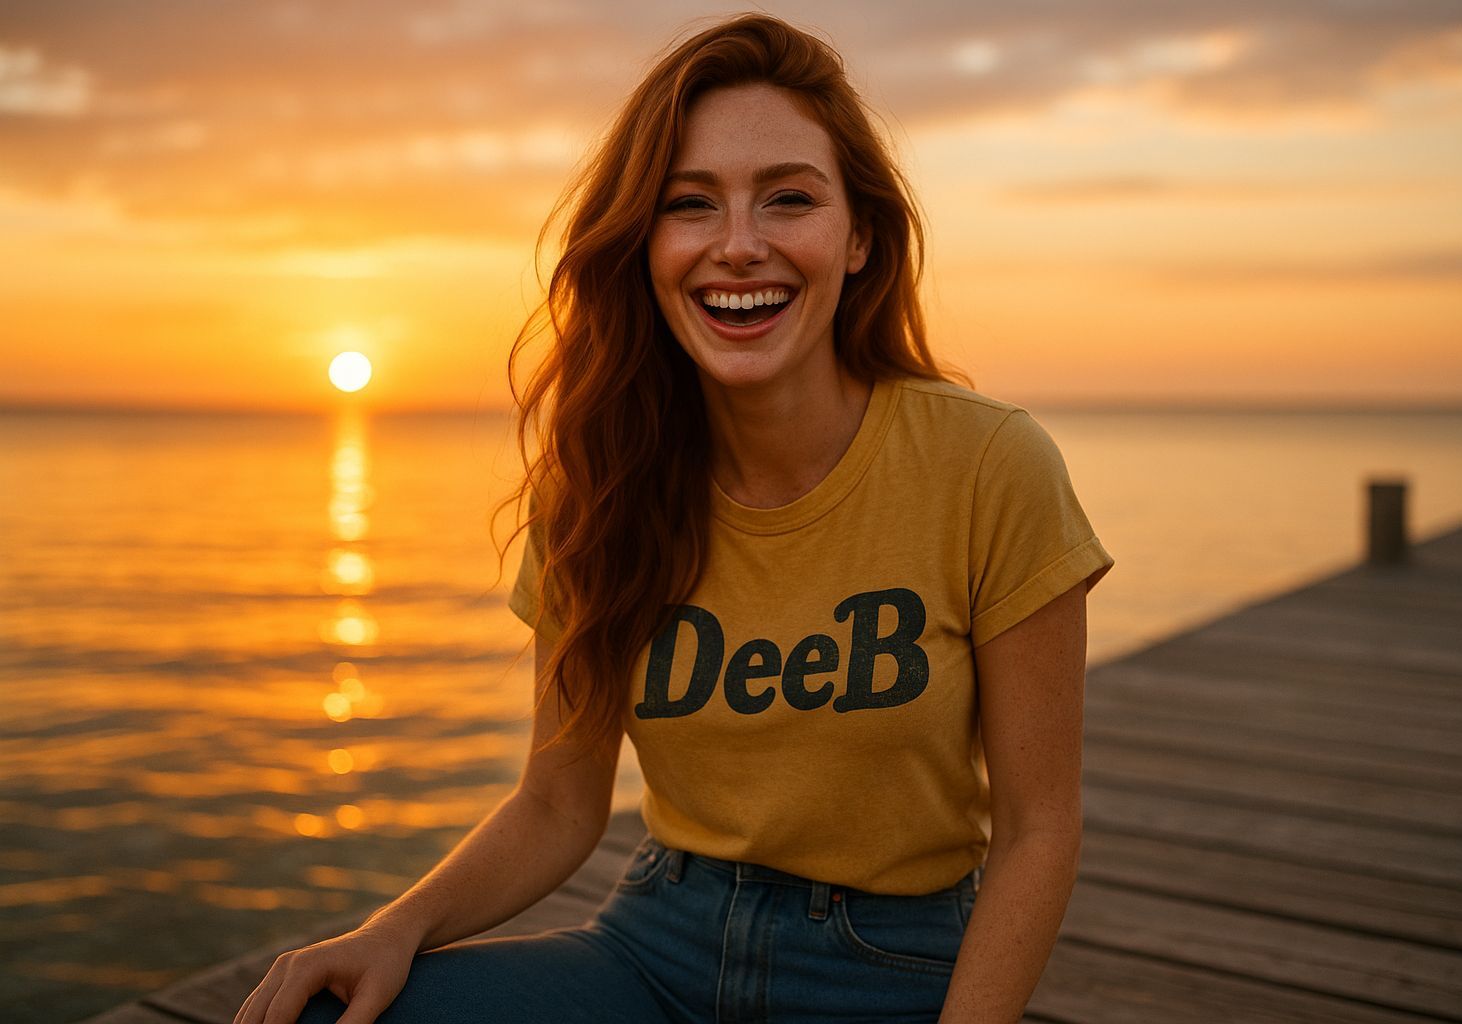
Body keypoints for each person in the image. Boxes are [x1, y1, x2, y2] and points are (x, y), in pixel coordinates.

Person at [236, 12, 1112, 1024]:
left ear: (859, 236)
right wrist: (387, 929)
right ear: (645, 246)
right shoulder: (600, 486)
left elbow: (1040, 829)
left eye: (789, 199)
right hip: (657, 944)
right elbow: (558, 805)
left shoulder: (988, 466)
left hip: (888, 965)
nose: (739, 247)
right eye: (689, 205)